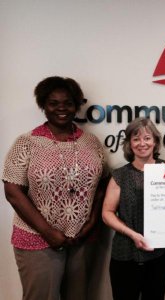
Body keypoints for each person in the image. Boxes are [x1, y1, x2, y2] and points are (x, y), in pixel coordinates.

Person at [2, 76, 107, 300]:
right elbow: (13, 192)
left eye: (68, 103)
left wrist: (90, 223)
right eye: (53, 103)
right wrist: (48, 233)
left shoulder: (91, 142)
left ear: (77, 105)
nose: (62, 108)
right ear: (43, 106)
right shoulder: (27, 142)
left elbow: (101, 186)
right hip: (36, 239)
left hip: (82, 240)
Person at [102, 117, 165, 300]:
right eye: (136, 139)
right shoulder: (120, 175)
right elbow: (107, 213)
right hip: (126, 253)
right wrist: (132, 234)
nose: (142, 143)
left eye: (147, 138)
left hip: (159, 252)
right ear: (129, 144)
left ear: (155, 141)